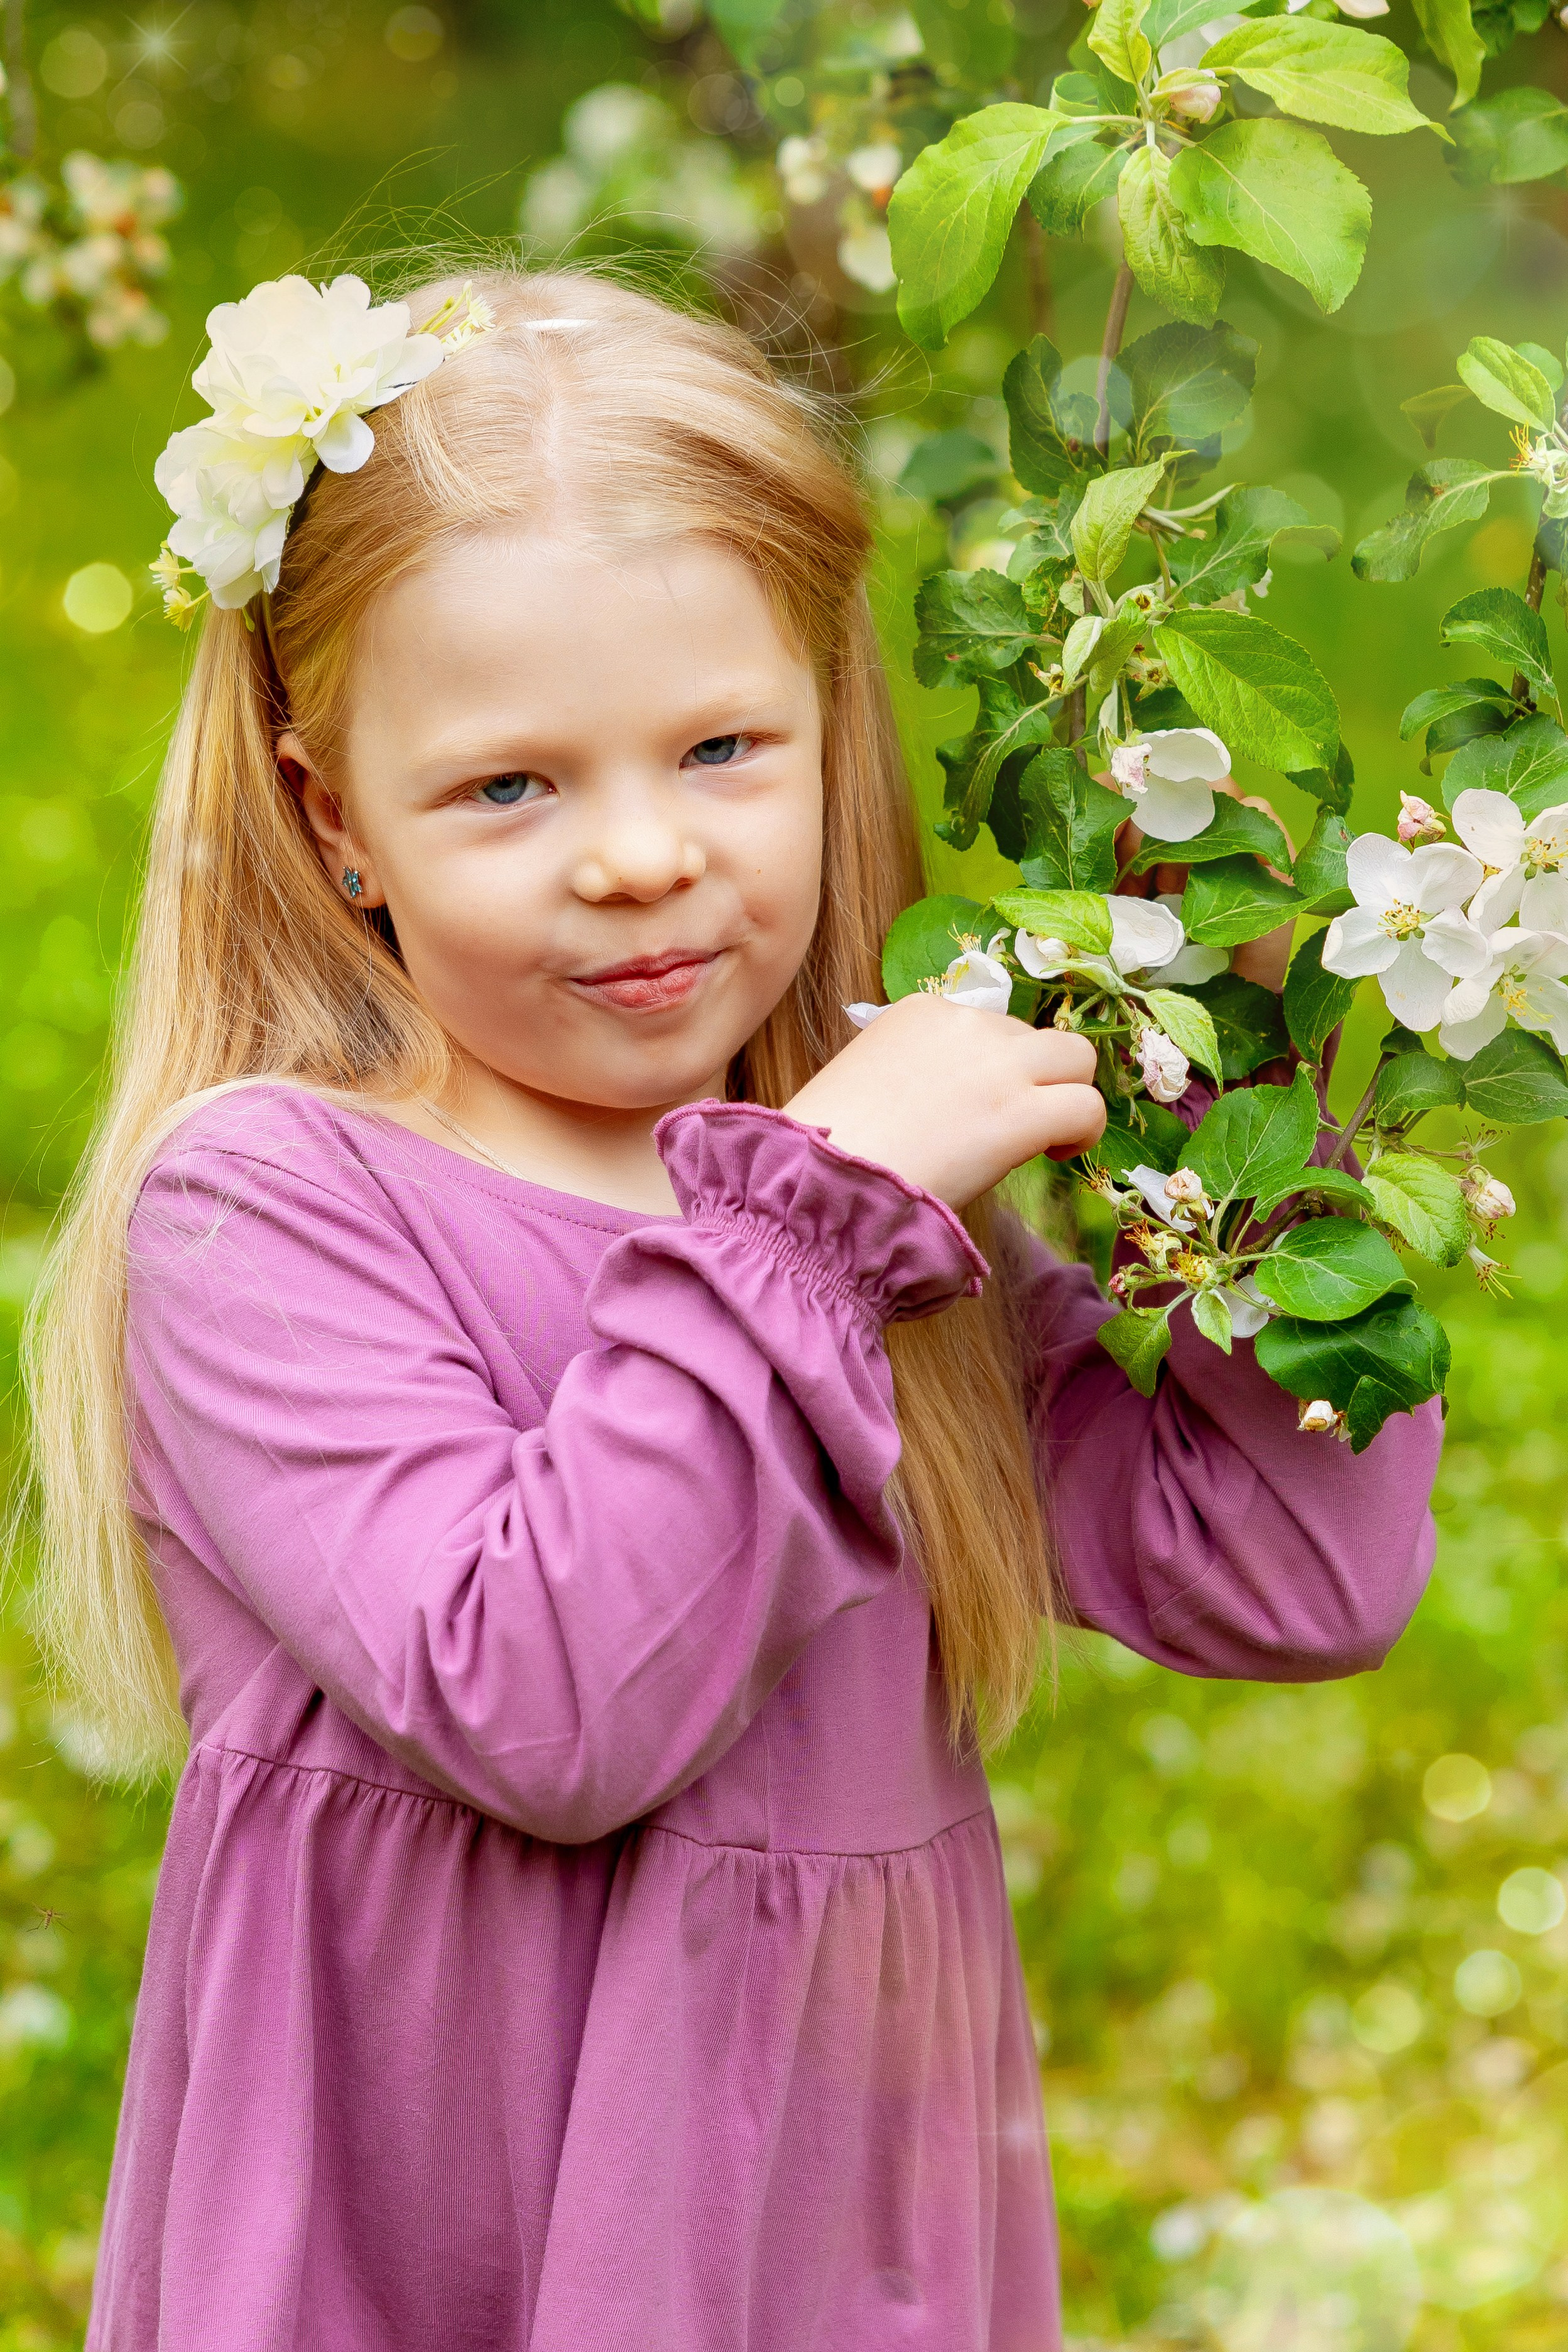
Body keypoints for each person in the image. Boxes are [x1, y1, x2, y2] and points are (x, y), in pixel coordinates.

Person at [25, 265, 1441, 2352]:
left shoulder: (846, 1204)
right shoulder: (275, 1206)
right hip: (448, 2247)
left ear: (826, 730)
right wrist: (827, 1212)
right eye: (511, 786)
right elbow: (549, 1702)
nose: (637, 857)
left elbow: (1291, 1578)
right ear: (337, 819)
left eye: (719, 749)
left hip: (818, 2237)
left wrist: (1253, 1096)